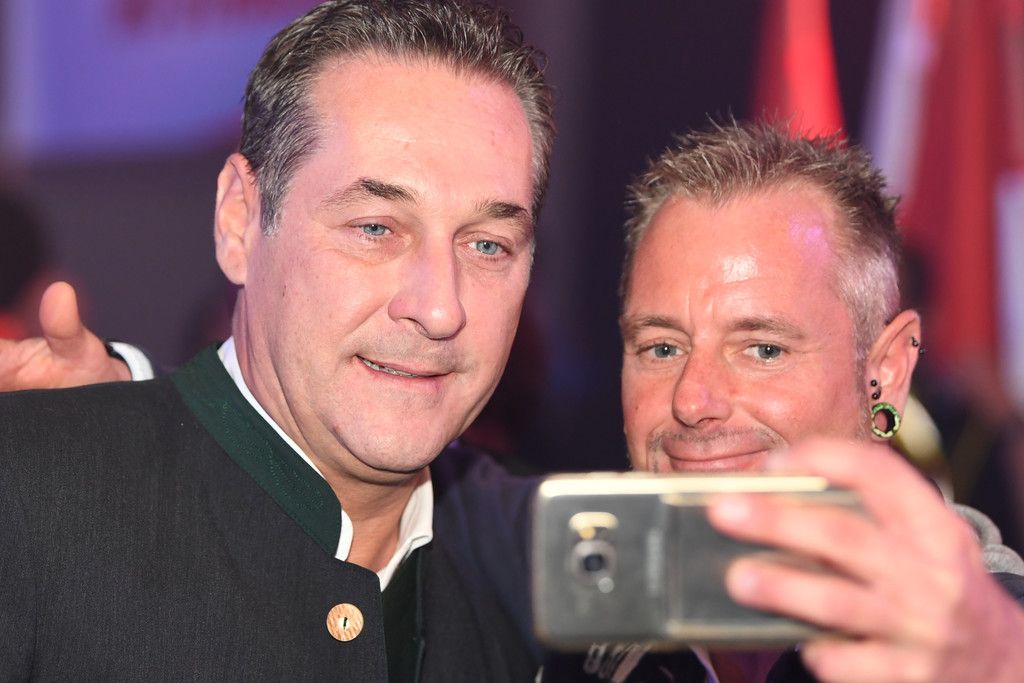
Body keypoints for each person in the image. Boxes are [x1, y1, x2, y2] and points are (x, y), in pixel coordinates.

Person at [0, 1, 553, 680]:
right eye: (375, 228)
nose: (440, 308)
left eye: (488, 244)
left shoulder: (540, 574)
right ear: (239, 220)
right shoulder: (31, 501)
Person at [541, 121, 1024, 682]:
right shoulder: (572, 645)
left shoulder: (981, 649)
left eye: (764, 350)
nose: (692, 400)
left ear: (886, 372)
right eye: (663, 348)